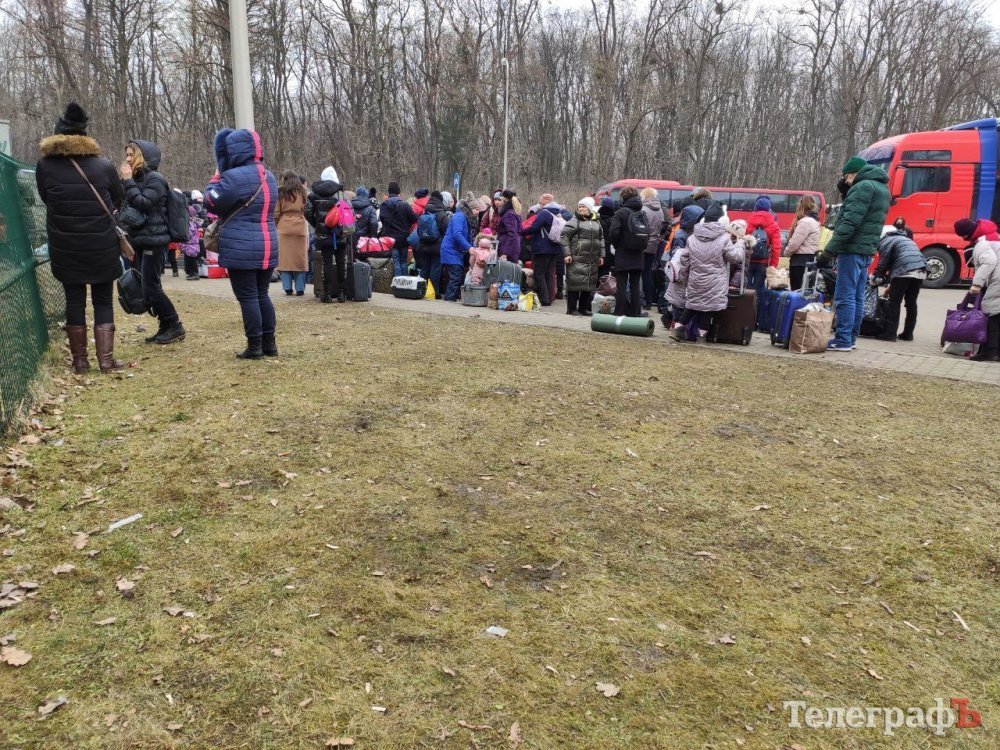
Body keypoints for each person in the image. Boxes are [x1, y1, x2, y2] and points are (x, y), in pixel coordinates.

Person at [35, 102, 127, 373]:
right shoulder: (104, 166)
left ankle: (80, 362)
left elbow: (46, 198)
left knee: (73, 300)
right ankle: (106, 361)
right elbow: (118, 198)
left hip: (65, 245)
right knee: (103, 300)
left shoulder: (45, 166)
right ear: (85, 135)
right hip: (102, 244)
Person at [204, 128, 279, 359]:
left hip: (241, 246)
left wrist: (215, 178)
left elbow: (211, 201)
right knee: (262, 294)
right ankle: (269, 344)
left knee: (248, 297)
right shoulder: (269, 176)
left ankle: (254, 346)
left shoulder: (232, 178)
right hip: (268, 243)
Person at [119, 138, 185, 344]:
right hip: (141, 240)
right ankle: (164, 325)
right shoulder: (137, 179)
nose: (127, 159)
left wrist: (128, 182)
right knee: (148, 286)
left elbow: (144, 203)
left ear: (143, 157)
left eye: (132, 154)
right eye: (127, 155)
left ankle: (175, 325)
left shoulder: (155, 179)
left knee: (150, 287)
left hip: (155, 241)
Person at [824, 156, 891, 351]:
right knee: (857, 296)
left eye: (847, 177)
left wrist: (829, 250)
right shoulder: (881, 188)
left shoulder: (862, 187)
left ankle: (842, 339)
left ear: (854, 173)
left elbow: (849, 222)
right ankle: (851, 338)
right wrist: (847, 195)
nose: (846, 181)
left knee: (844, 295)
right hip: (866, 250)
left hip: (851, 249)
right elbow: (864, 215)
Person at [669, 219, 743, 342]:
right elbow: (736, 257)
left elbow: (684, 259)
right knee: (708, 308)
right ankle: (701, 337)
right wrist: (740, 244)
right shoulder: (724, 239)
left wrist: (686, 276)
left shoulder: (692, 238)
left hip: (695, 279)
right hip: (714, 281)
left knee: (691, 306)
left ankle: (677, 329)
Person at [871, 226, 927, 342]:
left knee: (894, 302)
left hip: (904, 271)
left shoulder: (886, 240)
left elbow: (883, 263)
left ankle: (890, 333)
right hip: (920, 270)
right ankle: (908, 334)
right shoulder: (906, 239)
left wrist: (875, 277)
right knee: (911, 302)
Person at [955, 218, 1000, 361]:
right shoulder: (993, 236)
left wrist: (977, 284)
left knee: (991, 313)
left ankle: (990, 352)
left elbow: (989, 262)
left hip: (998, 280)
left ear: (965, 234)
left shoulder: (981, 244)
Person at [560, 197, 605, 316]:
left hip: (591, 259)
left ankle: (583, 308)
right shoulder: (574, 221)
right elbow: (564, 236)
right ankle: (572, 309)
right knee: (574, 284)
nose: (581, 208)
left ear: (589, 208)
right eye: (579, 206)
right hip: (576, 257)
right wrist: (567, 254)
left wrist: (601, 255)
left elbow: (601, 239)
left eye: (583, 206)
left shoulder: (596, 221)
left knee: (588, 285)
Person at [663, 204, 705, 330]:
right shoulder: (681, 236)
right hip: (680, 274)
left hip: (684, 273)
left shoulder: (688, 234)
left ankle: (671, 321)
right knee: (678, 303)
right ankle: (674, 324)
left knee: (679, 302)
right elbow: (678, 257)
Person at [606, 187, 646, 317]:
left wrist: (617, 245)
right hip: (638, 253)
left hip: (623, 253)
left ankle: (619, 312)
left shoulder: (620, 213)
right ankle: (635, 313)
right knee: (635, 286)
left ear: (623, 198)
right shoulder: (641, 213)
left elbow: (613, 232)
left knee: (622, 285)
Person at [519, 193, 564, 306]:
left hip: (542, 249)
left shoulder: (544, 213)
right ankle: (550, 298)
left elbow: (534, 228)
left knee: (539, 274)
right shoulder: (558, 214)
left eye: (540, 203)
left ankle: (544, 299)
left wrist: (520, 231)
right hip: (555, 249)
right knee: (549, 274)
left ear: (545, 203)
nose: (539, 205)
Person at [440, 195, 486, 301]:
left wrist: (476, 249)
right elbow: (457, 235)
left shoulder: (467, 219)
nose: (478, 212)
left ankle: (452, 297)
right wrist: (469, 248)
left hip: (456, 252)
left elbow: (469, 238)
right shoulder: (459, 217)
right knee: (455, 276)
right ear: (470, 209)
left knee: (457, 276)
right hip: (450, 250)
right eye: (476, 209)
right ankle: (449, 299)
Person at [274, 171, 310, 296]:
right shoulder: (303, 192)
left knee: (285, 259)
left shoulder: (280, 192)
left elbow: (276, 213)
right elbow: (307, 210)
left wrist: (274, 226)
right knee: (300, 259)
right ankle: (300, 289)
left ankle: (287, 288)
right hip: (300, 226)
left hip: (284, 227)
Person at [744, 196, 782, 302]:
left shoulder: (747, 223)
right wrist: (773, 265)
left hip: (748, 260)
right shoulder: (774, 225)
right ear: (769, 209)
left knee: (746, 288)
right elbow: (776, 247)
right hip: (763, 263)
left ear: (755, 208)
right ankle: (757, 310)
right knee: (758, 290)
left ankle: (744, 309)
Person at [379, 181, 418, 278]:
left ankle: (397, 283)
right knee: (404, 261)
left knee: (395, 261)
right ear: (398, 192)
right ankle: (405, 283)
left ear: (389, 192)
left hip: (391, 238)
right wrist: (406, 224)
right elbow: (414, 218)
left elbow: (382, 219)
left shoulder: (384, 205)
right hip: (404, 237)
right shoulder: (404, 205)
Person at [415, 190, 450, 294]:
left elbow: (418, 230)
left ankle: (420, 291)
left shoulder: (425, 211)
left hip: (424, 246)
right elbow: (447, 230)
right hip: (437, 248)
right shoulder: (441, 214)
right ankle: (432, 293)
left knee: (424, 269)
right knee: (435, 270)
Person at [784, 195, 821, 290]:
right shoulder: (815, 221)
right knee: (807, 291)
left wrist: (786, 252)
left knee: (797, 292)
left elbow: (794, 244)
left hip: (800, 262)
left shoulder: (805, 222)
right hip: (810, 260)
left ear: (801, 206)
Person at [639, 187, 664, 310]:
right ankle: (649, 301)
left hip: (642, 245)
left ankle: (640, 299)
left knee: (638, 274)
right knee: (648, 273)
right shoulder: (660, 210)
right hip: (654, 245)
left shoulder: (643, 210)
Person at [497, 189, 522, 263]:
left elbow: (512, 234)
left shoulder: (509, 214)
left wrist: (505, 253)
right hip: (511, 247)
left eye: (500, 200)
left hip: (508, 248)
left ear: (505, 201)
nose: (498, 202)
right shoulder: (514, 212)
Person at [182, 204, 201, 280]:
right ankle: (191, 273)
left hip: (191, 244)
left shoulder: (190, 222)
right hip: (190, 244)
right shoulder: (191, 221)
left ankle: (195, 274)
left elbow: (189, 233)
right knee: (189, 259)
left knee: (192, 259)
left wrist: (183, 234)